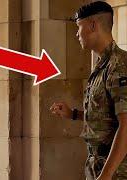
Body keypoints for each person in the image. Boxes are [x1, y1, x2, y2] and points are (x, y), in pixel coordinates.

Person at [50, 1, 127, 180]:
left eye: (79, 27)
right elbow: (105, 115)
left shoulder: (120, 65)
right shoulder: (102, 64)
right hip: (97, 166)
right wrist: (73, 114)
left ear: (93, 25)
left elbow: (126, 125)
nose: (77, 34)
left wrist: (105, 176)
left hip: (117, 172)